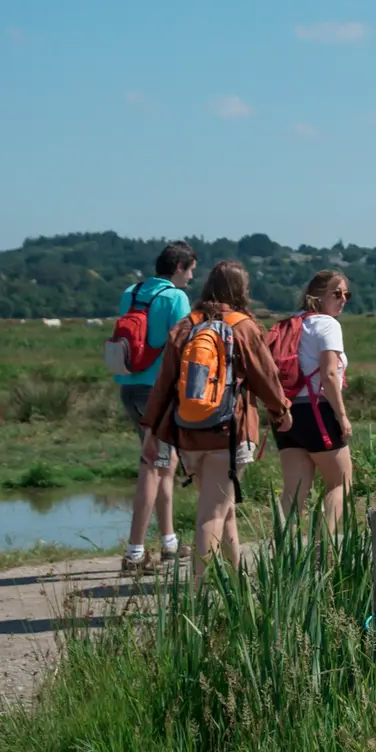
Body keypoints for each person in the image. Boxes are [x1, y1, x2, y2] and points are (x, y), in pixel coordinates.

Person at [141, 260, 292, 580]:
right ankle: (198, 596)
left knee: (225, 512)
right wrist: (281, 410)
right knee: (211, 514)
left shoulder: (186, 325)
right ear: (242, 290)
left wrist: (152, 431)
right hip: (230, 432)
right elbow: (266, 376)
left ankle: (238, 587)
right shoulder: (243, 326)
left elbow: (164, 383)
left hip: (190, 432)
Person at [115, 241, 196, 573]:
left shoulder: (130, 293)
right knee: (152, 465)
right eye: (190, 270)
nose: (191, 277)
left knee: (166, 462)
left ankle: (169, 542)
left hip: (129, 387)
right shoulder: (175, 298)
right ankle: (134, 552)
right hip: (158, 392)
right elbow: (184, 346)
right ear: (178, 267)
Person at [276, 270, 356, 532]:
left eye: (347, 294)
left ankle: (283, 559)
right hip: (318, 412)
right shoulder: (327, 324)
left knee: (293, 493)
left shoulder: (291, 323)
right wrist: (342, 416)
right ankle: (324, 549)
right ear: (318, 295)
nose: (343, 299)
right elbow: (330, 374)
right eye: (337, 293)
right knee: (340, 482)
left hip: (287, 413)